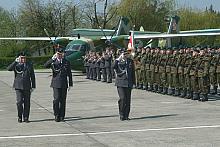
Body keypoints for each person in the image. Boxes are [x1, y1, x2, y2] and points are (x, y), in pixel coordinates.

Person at [44, 48, 73, 122]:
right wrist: (52, 59)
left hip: (64, 83)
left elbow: (69, 73)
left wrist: (70, 83)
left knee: (63, 101)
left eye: (61, 54)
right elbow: (45, 65)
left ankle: (62, 116)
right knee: (56, 100)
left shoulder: (66, 62)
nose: (60, 55)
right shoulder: (54, 62)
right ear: (56, 54)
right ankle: (56, 114)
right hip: (56, 83)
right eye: (58, 54)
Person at [7, 52, 36, 123]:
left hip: (27, 86)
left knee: (27, 102)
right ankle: (19, 116)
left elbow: (32, 75)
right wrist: (15, 61)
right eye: (22, 58)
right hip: (18, 86)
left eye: (24, 58)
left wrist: (33, 86)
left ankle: (26, 117)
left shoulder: (29, 64)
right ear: (19, 58)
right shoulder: (16, 64)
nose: (23, 59)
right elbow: (8, 68)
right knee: (19, 102)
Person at [113, 49, 135, 121]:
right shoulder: (118, 62)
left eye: (127, 54)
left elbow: (132, 73)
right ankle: (121, 114)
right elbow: (113, 67)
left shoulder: (130, 61)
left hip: (128, 83)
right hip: (120, 83)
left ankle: (126, 115)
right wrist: (118, 59)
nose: (126, 55)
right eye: (124, 54)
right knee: (122, 98)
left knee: (128, 100)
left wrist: (134, 83)